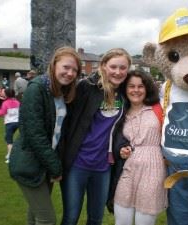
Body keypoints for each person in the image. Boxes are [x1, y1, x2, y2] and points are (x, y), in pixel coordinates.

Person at [8, 46, 81, 225]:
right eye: (66, 67)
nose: (70, 73)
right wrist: (55, 167)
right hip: (30, 163)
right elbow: (36, 135)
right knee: (47, 219)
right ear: (54, 65)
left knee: (35, 216)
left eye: (74, 70)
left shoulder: (59, 92)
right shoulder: (37, 88)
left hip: (44, 165)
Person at [58, 48, 132, 225]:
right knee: (71, 217)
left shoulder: (125, 93)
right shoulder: (87, 87)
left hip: (103, 167)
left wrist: (123, 145)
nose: (118, 72)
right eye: (113, 66)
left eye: (123, 68)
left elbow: (121, 129)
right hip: (77, 164)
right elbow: (67, 123)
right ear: (104, 66)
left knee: (96, 218)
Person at [113, 70, 167, 225]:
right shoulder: (121, 111)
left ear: (147, 88)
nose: (135, 90)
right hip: (128, 169)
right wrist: (121, 149)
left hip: (153, 169)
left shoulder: (159, 108)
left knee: (144, 221)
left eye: (140, 86)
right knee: (121, 219)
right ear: (125, 89)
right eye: (131, 86)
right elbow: (115, 139)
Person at [0, 88, 20, 163]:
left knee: (9, 140)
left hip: (9, 123)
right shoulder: (17, 102)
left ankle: (10, 157)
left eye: (4, 92)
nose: (3, 93)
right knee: (7, 138)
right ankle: (9, 153)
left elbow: (1, 113)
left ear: (7, 94)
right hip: (17, 122)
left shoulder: (5, 103)